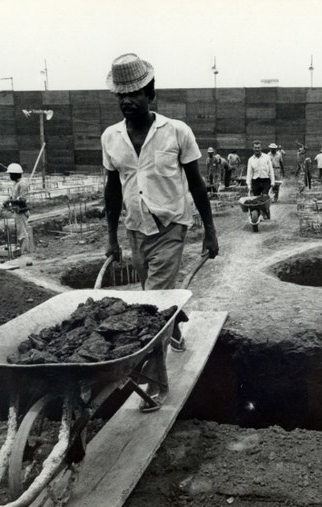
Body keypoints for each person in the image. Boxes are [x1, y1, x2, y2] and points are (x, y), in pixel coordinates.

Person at [102, 53, 219, 413]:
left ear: (151, 93)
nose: (127, 101)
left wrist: (210, 232)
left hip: (171, 228)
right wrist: (111, 238)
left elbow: (197, 185)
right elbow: (112, 188)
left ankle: (156, 383)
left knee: (151, 306)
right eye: (121, 95)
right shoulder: (111, 137)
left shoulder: (177, 132)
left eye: (134, 93)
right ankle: (176, 323)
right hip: (136, 230)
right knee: (151, 300)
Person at [3, 163, 34, 254]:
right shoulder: (16, 184)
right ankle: (24, 250)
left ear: (15, 174)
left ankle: (25, 252)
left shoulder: (22, 184)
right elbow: (14, 197)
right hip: (17, 211)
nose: (10, 176)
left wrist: (10, 202)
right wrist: (9, 200)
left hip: (21, 211)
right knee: (21, 231)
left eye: (10, 174)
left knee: (23, 233)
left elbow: (22, 199)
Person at [246, 140, 275, 218]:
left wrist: (272, 182)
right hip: (256, 181)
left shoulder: (267, 157)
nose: (257, 149)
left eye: (258, 147)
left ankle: (265, 211)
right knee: (256, 199)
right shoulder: (251, 159)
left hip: (265, 180)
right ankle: (257, 214)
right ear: (253, 148)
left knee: (265, 197)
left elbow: (271, 170)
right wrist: (249, 185)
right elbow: (249, 173)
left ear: (261, 148)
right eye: (255, 148)